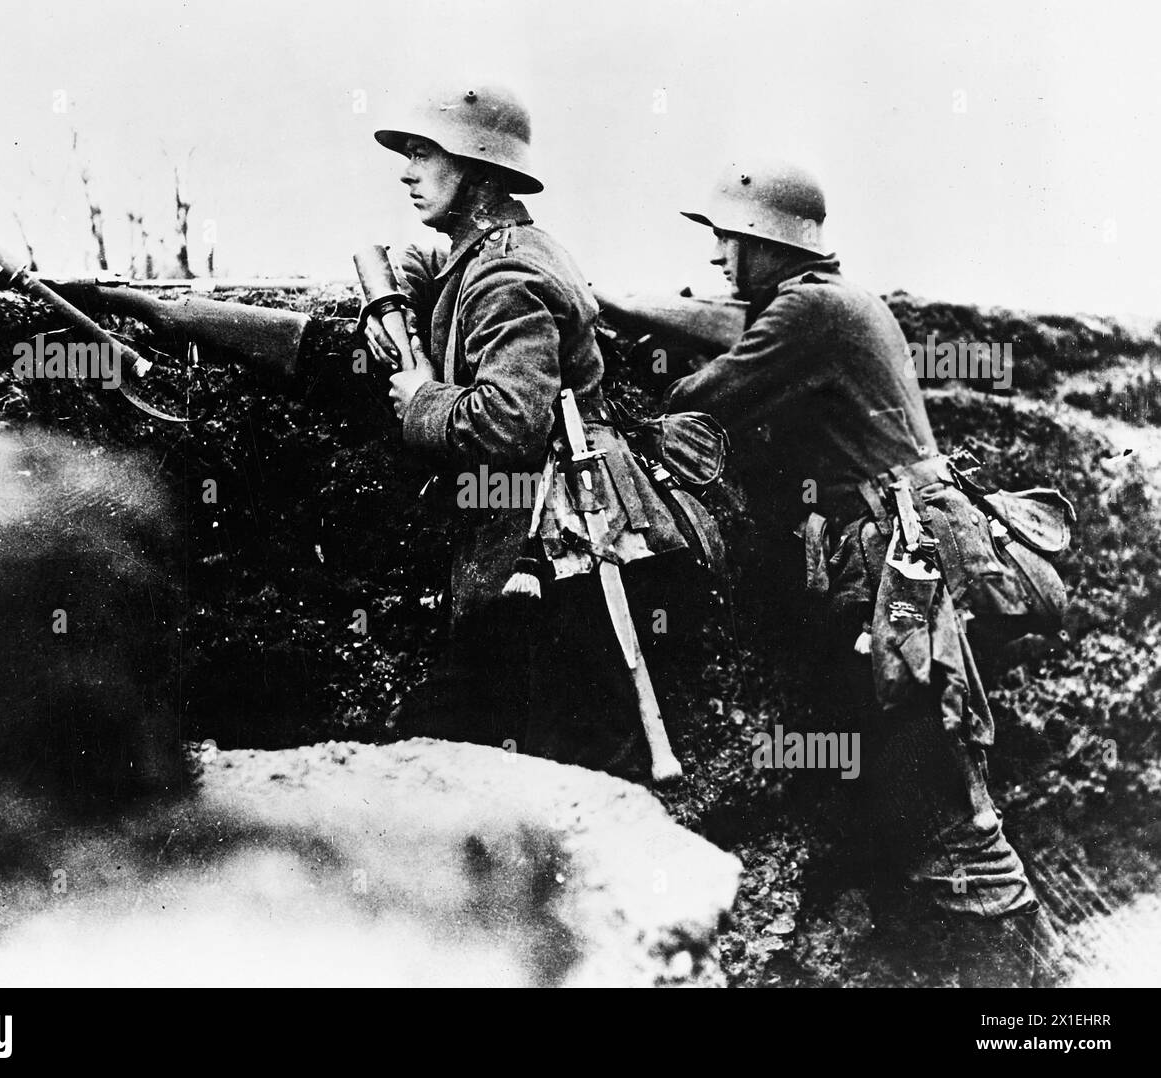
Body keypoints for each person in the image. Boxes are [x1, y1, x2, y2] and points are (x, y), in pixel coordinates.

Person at [663, 157, 1062, 986]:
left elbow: (710, 394)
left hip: (903, 578)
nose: (719, 257)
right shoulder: (834, 301)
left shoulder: (809, 310)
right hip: (915, 559)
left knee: (944, 800)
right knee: (910, 791)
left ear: (772, 244)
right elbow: (732, 324)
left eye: (731, 239)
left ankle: (1038, 1001)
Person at [362, 82, 696, 773]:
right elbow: (440, 272)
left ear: (478, 170)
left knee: (568, 767)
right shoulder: (501, 252)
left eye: (424, 154)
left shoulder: (507, 272)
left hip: (566, 552)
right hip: (558, 545)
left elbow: (509, 422)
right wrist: (388, 307)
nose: (406, 170)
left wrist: (423, 399)